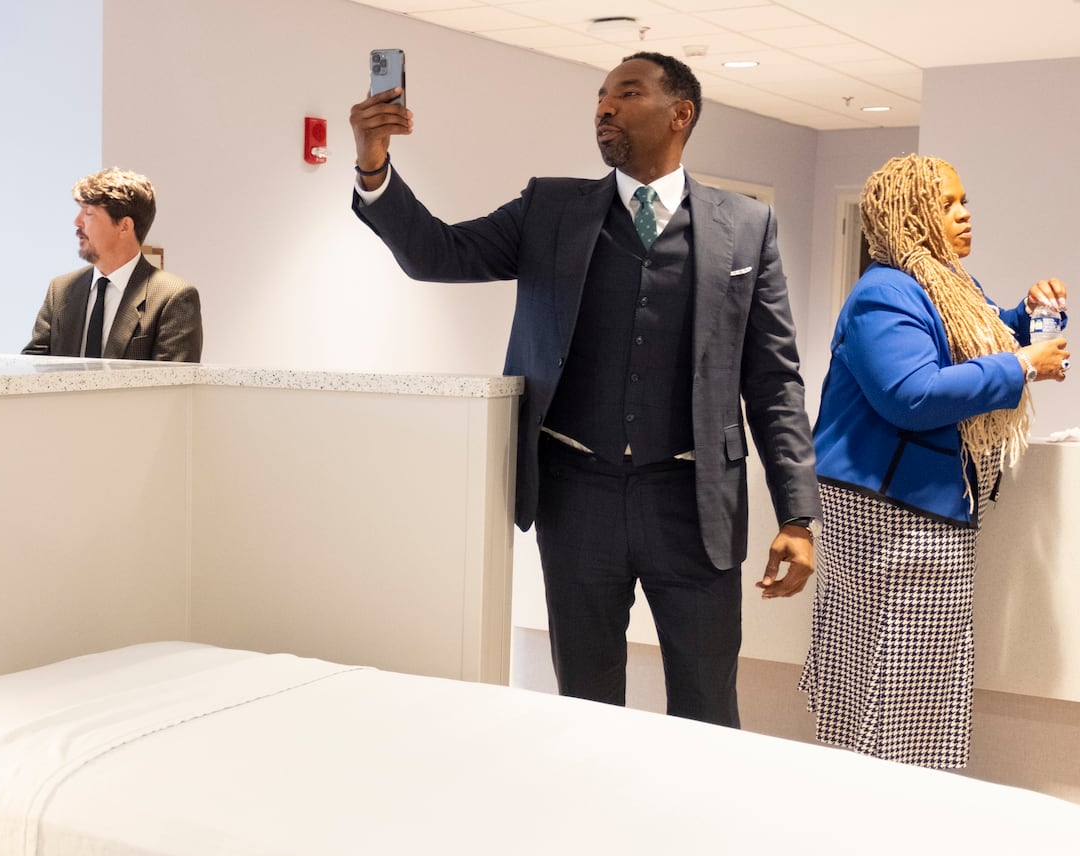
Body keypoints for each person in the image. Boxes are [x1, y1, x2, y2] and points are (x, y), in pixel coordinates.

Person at [348, 51, 820, 729]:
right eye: (600, 95)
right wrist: (374, 166)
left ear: (680, 113)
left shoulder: (746, 226)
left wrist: (797, 516)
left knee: (708, 707)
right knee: (587, 709)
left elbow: (774, 380)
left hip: (694, 507)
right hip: (578, 500)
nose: (604, 107)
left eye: (627, 93)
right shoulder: (550, 209)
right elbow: (437, 253)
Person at [799, 154, 1068, 769]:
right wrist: (1025, 364)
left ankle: (902, 810)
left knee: (920, 683)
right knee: (892, 682)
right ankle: (879, 814)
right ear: (910, 215)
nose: (965, 213)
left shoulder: (943, 284)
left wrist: (1025, 319)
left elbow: (976, 338)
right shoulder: (883, 293)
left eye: (963, 201)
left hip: (919, 508)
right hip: (886, 514)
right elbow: (912, 395)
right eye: (948, 204)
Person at [23, 168, 203, 362]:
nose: (77, 222)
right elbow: (34, 367)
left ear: (124, 226)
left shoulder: (173, 298)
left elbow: (173, 388)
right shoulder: (60, 290)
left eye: (89, 213)